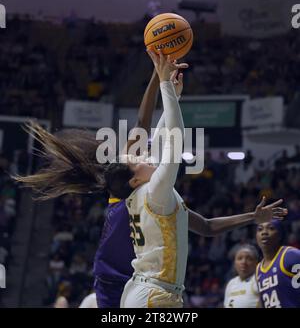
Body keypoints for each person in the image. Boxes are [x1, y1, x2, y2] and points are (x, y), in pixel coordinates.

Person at [14, 56, 287, 307]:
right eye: (137, 155)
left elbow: (205, 225)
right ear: (132, 176)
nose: (142, 154)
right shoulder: (136, 190)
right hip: (116, 280)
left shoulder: (157, 196)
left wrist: (252, 216)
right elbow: (146, 125)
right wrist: (159, 77)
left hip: (140, 281)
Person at [256, 220, 300, 308]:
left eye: (271, 228)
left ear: (280, 235)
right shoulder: (258, 269)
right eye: (260, 229)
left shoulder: (291, 255)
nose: (264, 232)